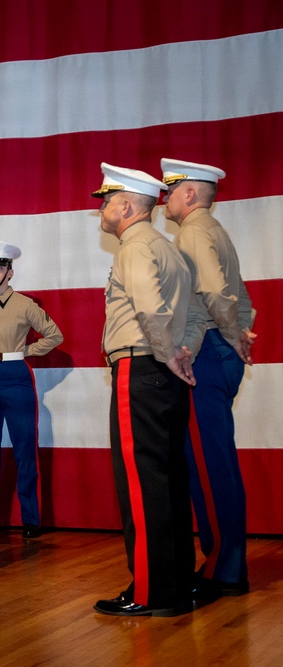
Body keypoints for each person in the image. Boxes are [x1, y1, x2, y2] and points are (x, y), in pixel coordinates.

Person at [90, 162, 202, 617]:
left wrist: (167, 351)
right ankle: (174, 585)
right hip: (166, 373)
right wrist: (182, 354)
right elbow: (193, 318)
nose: (101, 207)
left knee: (141, 485)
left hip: (139, 368)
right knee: (169, 481)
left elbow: (150, 311)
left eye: (105, 200)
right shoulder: (170, 249)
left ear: (126, 206)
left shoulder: (135, 247)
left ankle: (151, 592)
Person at [162, 157, 256, 597]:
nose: (163, 198)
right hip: (219, 349)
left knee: (208, 463)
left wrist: (234, 333)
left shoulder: (194, 231)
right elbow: (240, 292)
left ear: (190, 193)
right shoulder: (212, 231)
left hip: (208, 353)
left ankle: (224, 568)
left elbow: (218, 293)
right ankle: (226, 561)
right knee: (215, 459)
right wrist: (240, 331)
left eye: (170, 189)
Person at [0, 241, 62, 539]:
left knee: (24, 450)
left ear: (10, 272)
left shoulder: (25, 305)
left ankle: (31, 518)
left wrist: (25, 350)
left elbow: (54, 335)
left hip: (15, 374)